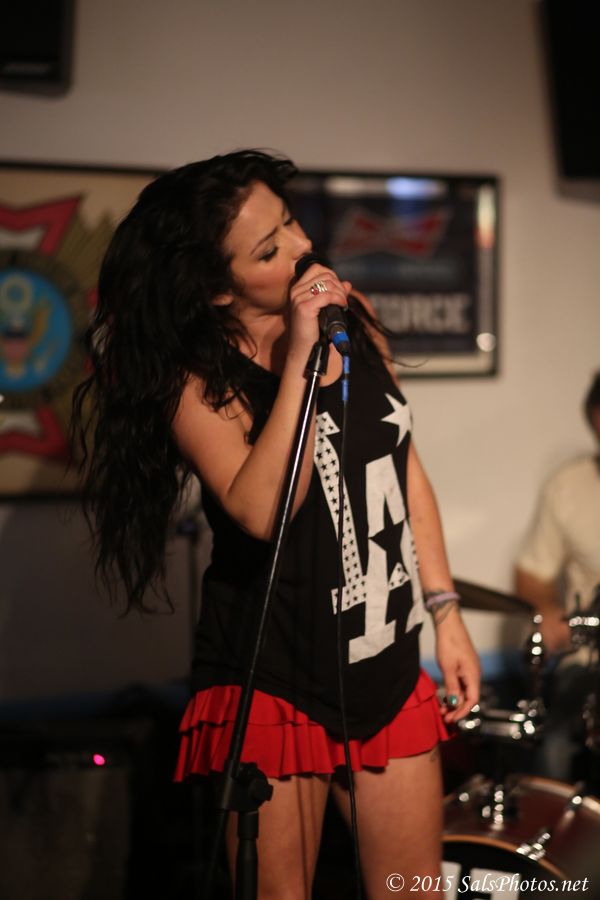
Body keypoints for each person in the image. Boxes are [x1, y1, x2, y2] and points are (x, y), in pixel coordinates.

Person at [72, 150, 479, 899]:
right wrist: (301, 362)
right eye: (269, 249)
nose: (302, 248)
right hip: (273, 677)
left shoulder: (354, 319)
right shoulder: (195, 380)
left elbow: (403, 467)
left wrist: (445, 608)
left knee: (414, 890)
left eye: (290, 223)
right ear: (216, 289)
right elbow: (263, 510)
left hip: (384, 659)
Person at [515, 371, 600, 783]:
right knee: (553, 743)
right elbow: (532, 574)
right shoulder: (568, 487)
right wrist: (547, 610)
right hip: (588, 661)